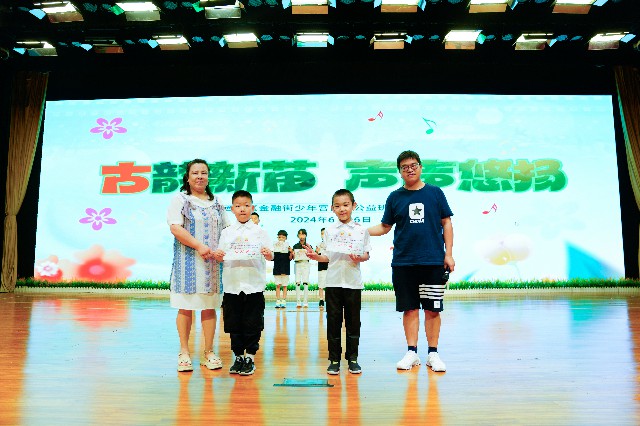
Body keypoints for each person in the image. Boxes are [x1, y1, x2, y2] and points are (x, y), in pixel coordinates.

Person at [368, 150, 455, 373]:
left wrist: (448, 254)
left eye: (413, 165)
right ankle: (412, 352)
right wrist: (360, 232)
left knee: (433, 309)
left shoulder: (435, 193)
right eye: (405, 167)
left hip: (432, 261)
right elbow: (385, 227)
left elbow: (446, 223)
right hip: (403, 262)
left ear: (420, 167)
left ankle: (433, 353)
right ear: (399, 172)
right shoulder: (394, 197)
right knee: (409, 309)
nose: (410, 169)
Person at [167, 159, 230, 372]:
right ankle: (184, 352)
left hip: (212, 264)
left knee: (209, 306)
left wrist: (223, 250)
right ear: (188, 177)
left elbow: (227, 229)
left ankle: (209, 352)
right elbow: (175, 228)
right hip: (188, 262)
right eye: (195, 173)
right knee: (186, 306)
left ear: (208, 177)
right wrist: (199, 246)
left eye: (204, 173)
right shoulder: (181, 199)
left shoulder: (217, 202)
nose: (200, 176)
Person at [305, 189, 371, 375]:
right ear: (332, 208)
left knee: (353, 322)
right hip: (333, 282)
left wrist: (360, 258)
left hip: (353, 283)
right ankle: (334, 359)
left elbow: (366, 254)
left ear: (353, 206)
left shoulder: (361, 230)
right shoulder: (329, 231)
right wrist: (315, 256)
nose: (342, 209)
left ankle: (353, 359)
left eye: (346, 205)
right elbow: (327, 257)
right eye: (337, 206)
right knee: (333, 322)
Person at [213, 190, 273, 376]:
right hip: (232, 285)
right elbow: (220, 256)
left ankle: (250, 358)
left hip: (254, 286)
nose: (242, 209)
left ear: (252, 208)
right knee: (234, 323)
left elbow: (271, 256)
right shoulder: (226, 233)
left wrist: (268, 254)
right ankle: (238, 356)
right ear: (232, 209)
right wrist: (218, 255)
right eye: (238, 206)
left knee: (253, 323)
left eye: (246, 206)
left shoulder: (260, 232)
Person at [273, 230, 293, 309]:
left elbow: (290, 258)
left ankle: (284, 300)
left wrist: (291, 252)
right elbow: (272, 257)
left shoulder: (288, 247)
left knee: (285, 285)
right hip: (277, 268)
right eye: (279, 237)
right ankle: (278, 300)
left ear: (286, 238)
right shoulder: (275, 246)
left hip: (285, 268)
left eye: (283, 237)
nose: (281, 239)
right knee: (278, 285)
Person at [292, 229, 311, 308]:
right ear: (298, 236)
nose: (301, 236)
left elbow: (312, 256)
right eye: (300, 234)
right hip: (297, 264)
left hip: (306, 264)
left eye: (303, 234)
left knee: (305, 283)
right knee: (297, 282)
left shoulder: (308, 245)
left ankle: (305, 302)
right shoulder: (295, 246)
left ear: (305, 235)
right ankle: (298, 302)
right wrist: (292, 254)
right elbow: (293, 257)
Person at [316, 228, 328, 309]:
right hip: (321, 266)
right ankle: (321, 299)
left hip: (330, 267)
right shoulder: (318, 244)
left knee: (330, 285)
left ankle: (329, 300)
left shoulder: (331, 244)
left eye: (325, 233)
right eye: (322, 233)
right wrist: (316, 252)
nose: (323, 235)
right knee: (321, 284)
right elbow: (316, 255)